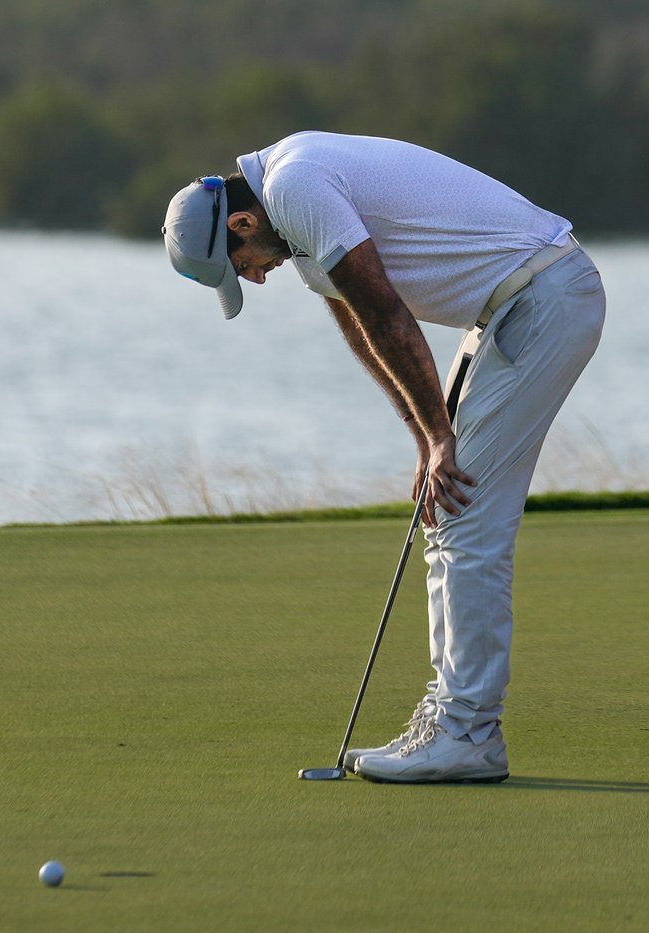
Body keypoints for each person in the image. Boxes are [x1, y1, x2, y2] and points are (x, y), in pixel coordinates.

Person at [161, 132, 605, 783]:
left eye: (244, 263)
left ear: (243, 221)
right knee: (444, 504)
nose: (256, 276)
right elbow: (361, 324)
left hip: (541, 299)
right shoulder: (290, 207)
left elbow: (387, 312)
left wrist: (438, 438)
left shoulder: (296, 185)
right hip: (513, 309)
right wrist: (424, 435)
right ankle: (453, 719)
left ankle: (468, 731)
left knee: (463, 511)